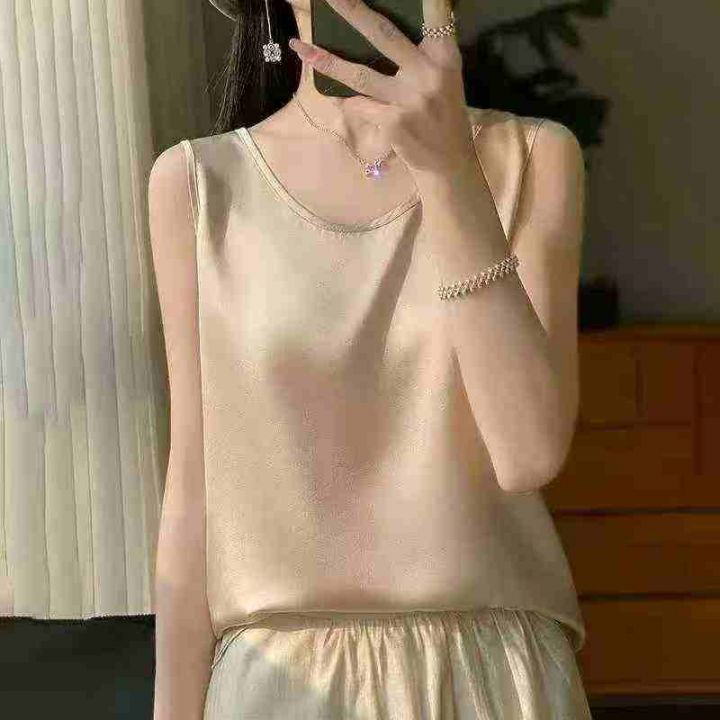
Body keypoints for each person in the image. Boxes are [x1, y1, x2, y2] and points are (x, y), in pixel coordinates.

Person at [148, 0, 592, 717]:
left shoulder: (533, 157)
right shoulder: (199, 181)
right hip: (280, 686)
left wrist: (449, 171)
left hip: (489, 679)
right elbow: (192, 485)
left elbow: (529, 453)